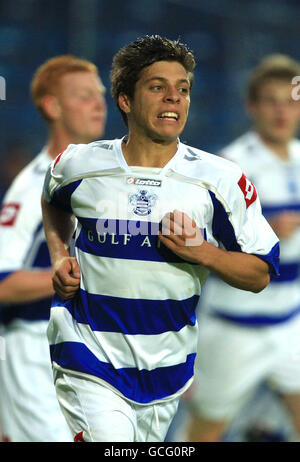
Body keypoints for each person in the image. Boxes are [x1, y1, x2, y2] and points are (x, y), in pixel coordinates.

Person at [41, 35, 279, 443]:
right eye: (158, 87)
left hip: (167, 371)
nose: (174, 98)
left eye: (182, 89)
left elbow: (259, 273)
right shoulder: (79, 165)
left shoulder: (221, 180)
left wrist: (201, 252)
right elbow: (52, 200)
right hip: (88, 354)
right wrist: (59, 253)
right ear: (125, 100)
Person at [185, 54, 300, 442]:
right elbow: (204, 246)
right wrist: (261, 232)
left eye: (290, 100)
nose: (282, 111)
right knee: (204, 432)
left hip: (290, 322)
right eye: (271, 101)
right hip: (235, 328)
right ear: (252, 106)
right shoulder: (232, 167)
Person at [0, 55, 107, 442]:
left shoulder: (105, 179)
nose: (99, 104)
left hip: (88, 349)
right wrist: (73, 274)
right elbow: (3, 284)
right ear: (52, 106)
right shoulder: (32, 187)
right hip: (33, 352)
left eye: (100, 95)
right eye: (84, 96)